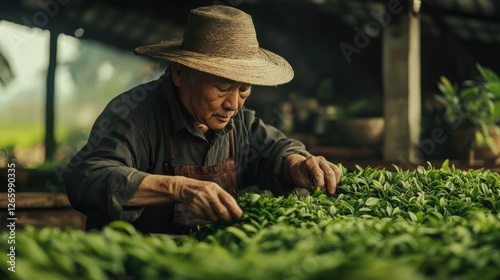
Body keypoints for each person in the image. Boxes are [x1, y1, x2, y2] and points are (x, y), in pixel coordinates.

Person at [63, 4, 341, 234]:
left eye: (244, 88)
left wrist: (298, 164)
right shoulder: (133, 114)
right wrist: (177, 187)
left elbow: (275, 150)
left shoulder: (238, 122)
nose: (233, 103)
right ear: (180, 74)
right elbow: (86, 178)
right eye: (222, 86)